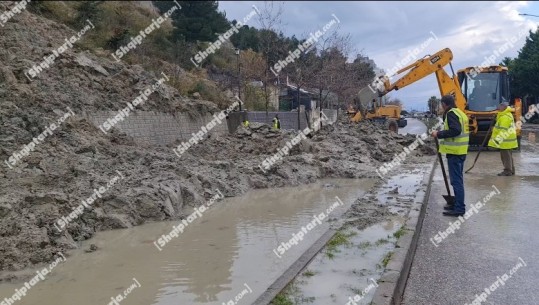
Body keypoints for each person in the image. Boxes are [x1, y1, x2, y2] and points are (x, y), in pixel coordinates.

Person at [431, 95, 469, 217]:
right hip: (460, 151)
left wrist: (439, 133)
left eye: (441, 105)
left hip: (455, 153)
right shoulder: (460, 113)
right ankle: (457, 204)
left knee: (456, 182)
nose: (441, 107)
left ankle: (459, 208)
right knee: (458, 181)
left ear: (444, 104)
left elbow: (456, 130)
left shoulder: (451, 114)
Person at [488, 102, 518, 176]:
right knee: (508, 156)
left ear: (504, 107)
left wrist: (497, 141)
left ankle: (507, 171)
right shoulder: (506, 115)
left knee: (505, 157)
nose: (498, 108)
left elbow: (503, 131)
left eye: (500, 106)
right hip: (507, 140)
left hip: (505, 141)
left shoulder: (505, 117)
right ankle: (511, 170)